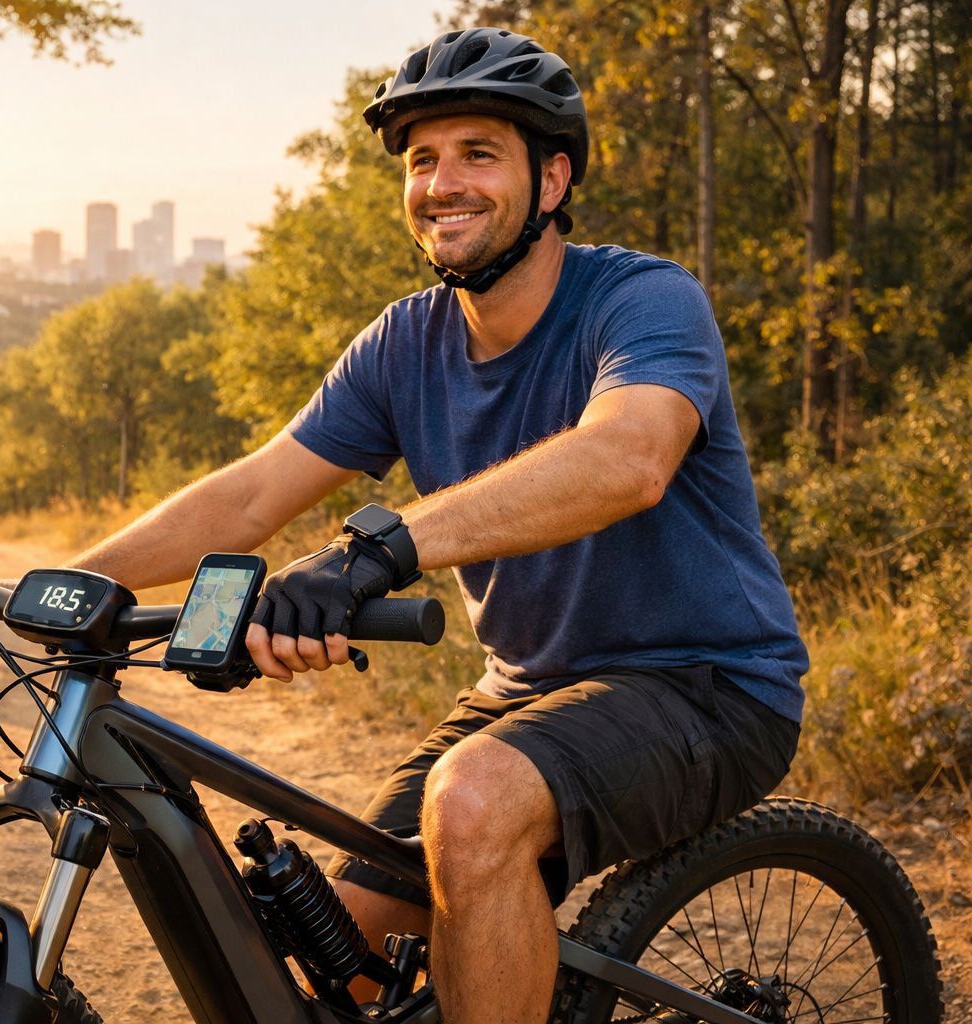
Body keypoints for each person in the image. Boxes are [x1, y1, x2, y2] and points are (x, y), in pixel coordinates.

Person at [63, 27, 807, 1024]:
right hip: (527, 693)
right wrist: (71, 584)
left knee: (473, 800)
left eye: (477, 154)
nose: (441, 181)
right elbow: (246, 498)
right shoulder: (404, 343)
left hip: (710, 686)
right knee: (330, 963)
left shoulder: (642, 301)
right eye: (422, 160)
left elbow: (627, 459)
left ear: (551, 181)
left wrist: (376, 550)